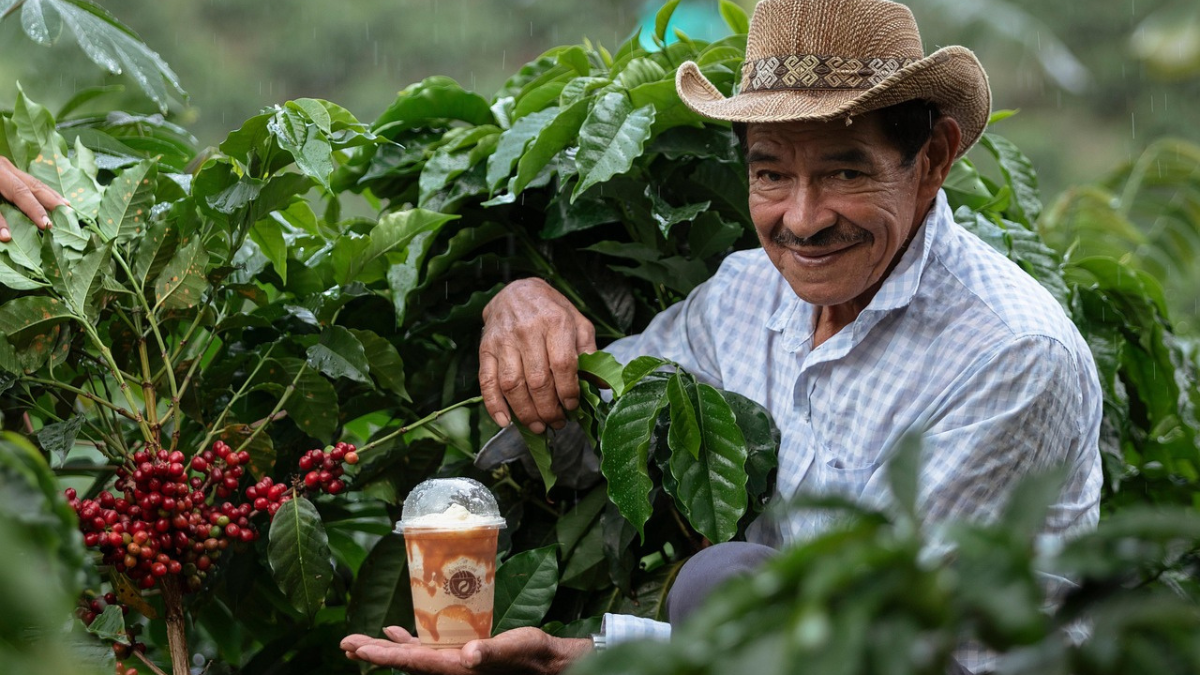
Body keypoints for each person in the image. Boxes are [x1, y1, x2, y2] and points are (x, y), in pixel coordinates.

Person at [343, 0, 1101, 672]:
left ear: (930, 160)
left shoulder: (1009, 353)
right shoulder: (744, 294)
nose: (802, 219)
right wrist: (522, 318)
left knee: (718, 579)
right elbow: (582, 440)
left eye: (844, 173)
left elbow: (882, 647)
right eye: (771, 175)